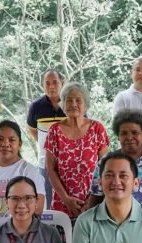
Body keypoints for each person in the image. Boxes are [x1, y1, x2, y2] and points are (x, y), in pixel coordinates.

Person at [45, 83, 111, 220]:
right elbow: (50, 169)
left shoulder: (97, 129)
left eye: (78, 100)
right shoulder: (54, 131)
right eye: (69, 100)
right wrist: (66, 199)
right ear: (63, 104)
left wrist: (91, 201)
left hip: (94, 202)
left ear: (85, 105)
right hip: (62, 203)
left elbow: (105, 168)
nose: (73, 104)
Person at [87, 109, 142, 212]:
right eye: (124, 133)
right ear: (118, 136)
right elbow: (95, 197)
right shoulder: (106, 161)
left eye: (135, 133)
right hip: (114, 221)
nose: (129, 137)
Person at [27, 69, 67, 205]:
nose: (51, 86)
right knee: (49, 202)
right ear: (42, 85)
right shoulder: (36, 107)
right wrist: (47, 145)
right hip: (45, 162)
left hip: (69, 163)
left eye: (55, 82)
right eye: (47, 83)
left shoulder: (71, 104)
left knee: (70, 200)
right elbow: (32, 129)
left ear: (62, 83)